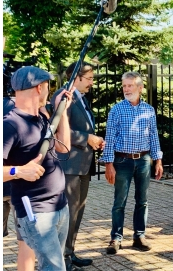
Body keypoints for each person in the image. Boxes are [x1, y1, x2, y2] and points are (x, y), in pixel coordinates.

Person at [3, 66, 74, 271]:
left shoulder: (41, 118)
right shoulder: (11, 125)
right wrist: (19, 170)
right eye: (48, 87)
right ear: (39, 87)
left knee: (53, 265)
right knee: (54, 268)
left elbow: (62, 147)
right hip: (35, 211)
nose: (49, 91)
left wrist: (63, 113)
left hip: (59, 206)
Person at [100, 71, 164, 254]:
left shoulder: (149, 110)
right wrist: (109, 164)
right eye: (124, 86)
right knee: (119, 201)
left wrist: (158, 160)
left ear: (140, 88)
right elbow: (110, 138)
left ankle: (139, 236)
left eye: (130, 85)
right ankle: (116, 238)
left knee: (142, 201)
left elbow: (154, 137)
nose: (126, 89)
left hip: (144, 161)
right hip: (122, 161)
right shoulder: (116, 110)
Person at [51, 62, 105, 270]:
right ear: (76, 78)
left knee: (77, 212)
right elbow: (57, 132)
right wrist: (87, 138)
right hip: (69, 166)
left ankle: (69, 253)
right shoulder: (64, 98)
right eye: (89, 78)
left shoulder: (80, 99)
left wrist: (94, 139)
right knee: (67, 214)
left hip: (83, 165)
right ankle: (61, 259)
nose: (92, 82)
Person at [3, 96, 37, 271]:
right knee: (25, 242)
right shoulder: (19, 107)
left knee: (26, 241)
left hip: (14, 184)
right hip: (17, 184)